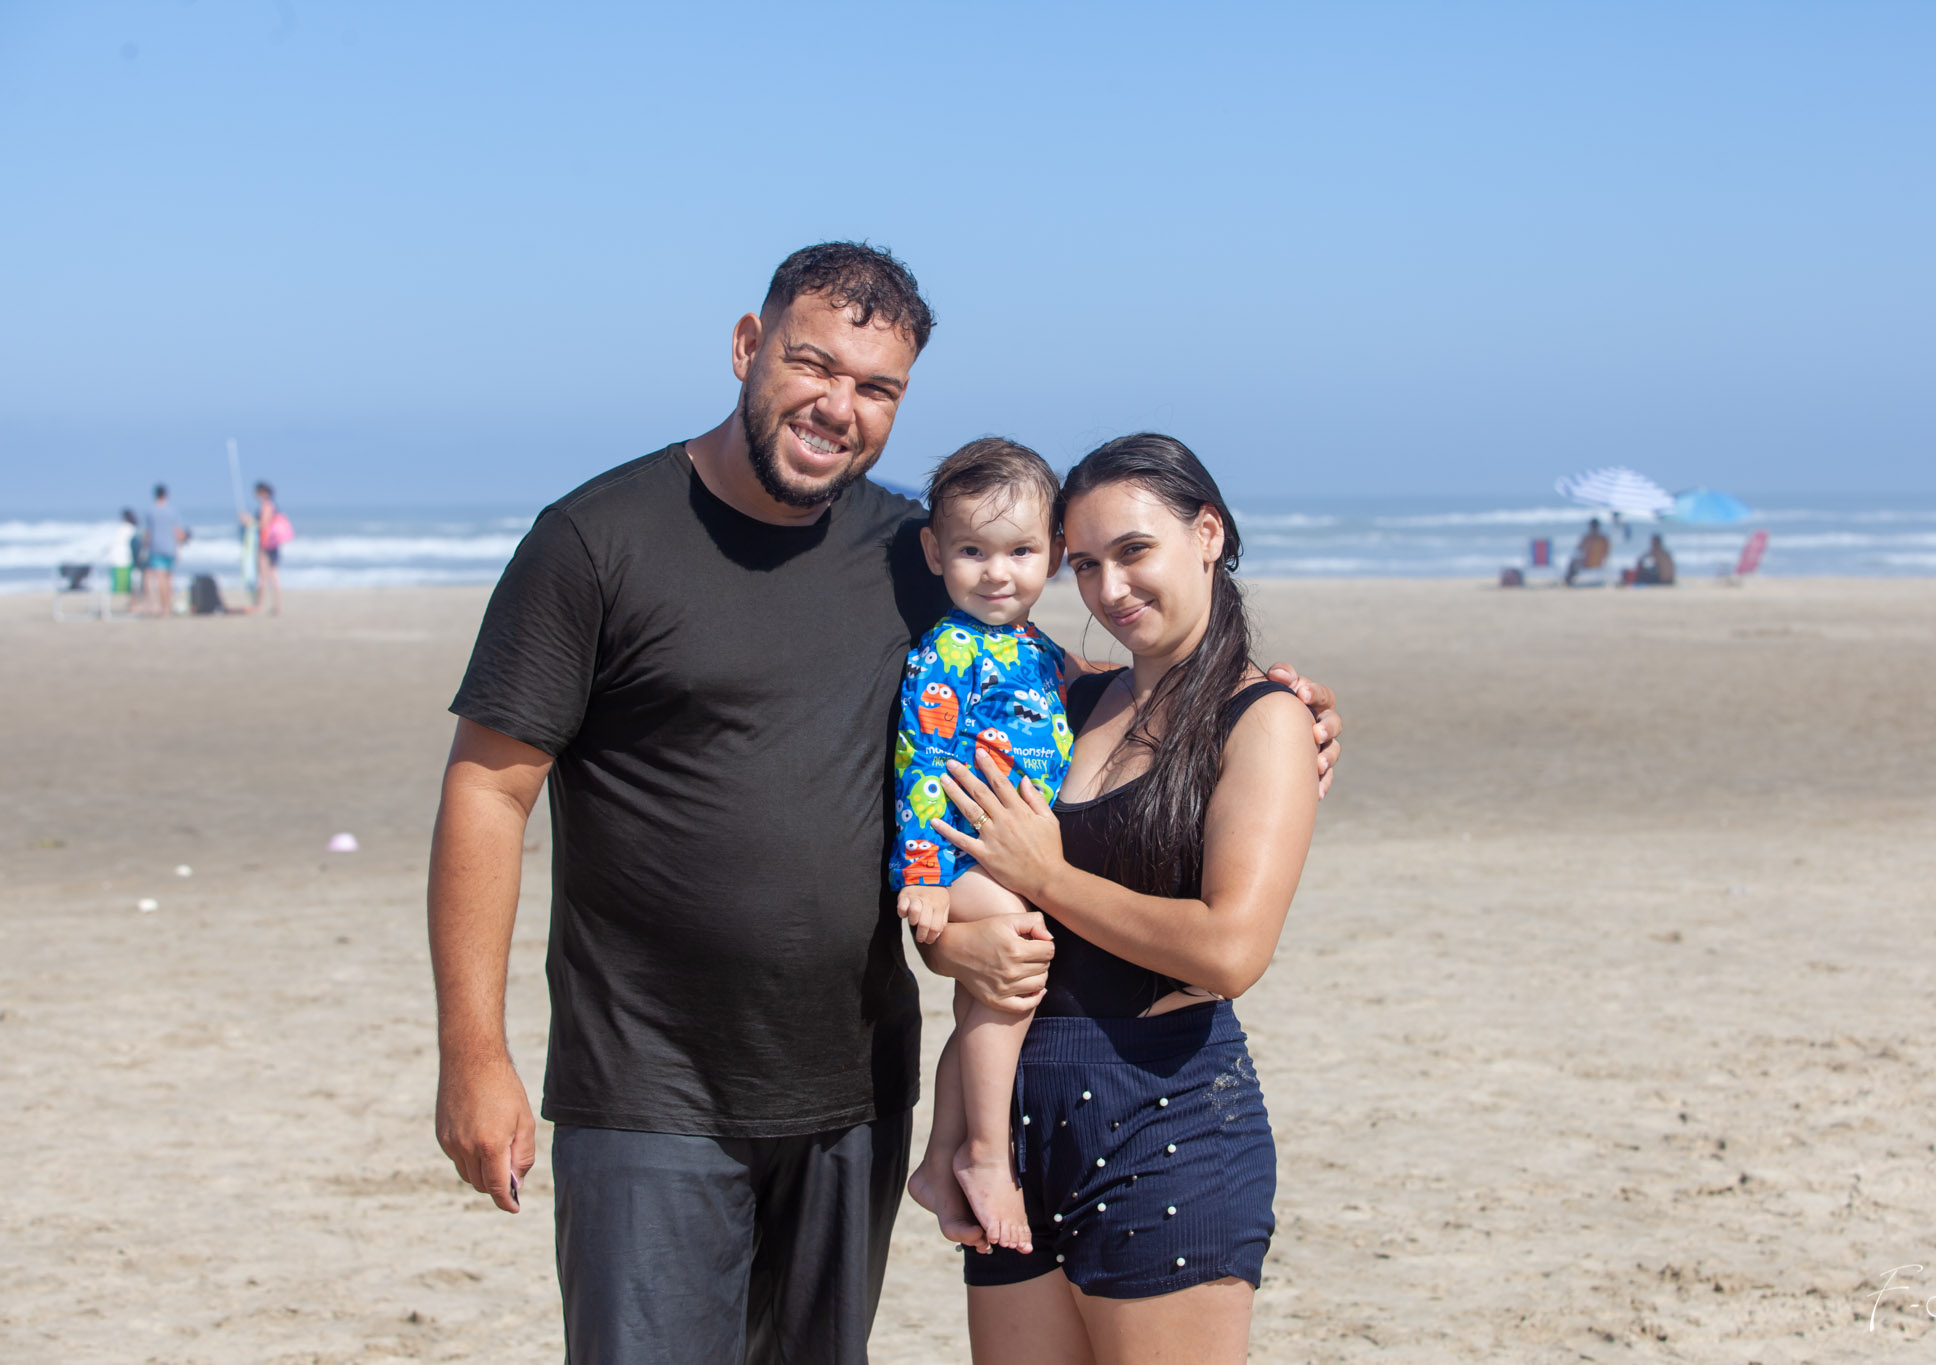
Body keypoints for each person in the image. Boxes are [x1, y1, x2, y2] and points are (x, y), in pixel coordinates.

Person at [427, 242, 1347, 1365]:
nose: (838, 406)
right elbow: (488, 792)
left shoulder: (913, 552)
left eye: (877, 387)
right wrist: (473, 1053)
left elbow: (1058, 681)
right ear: (747, 346)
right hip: (649, 1090)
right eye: (813, 365)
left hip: (854, 1088)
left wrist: (1258, 709)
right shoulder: (597, 540)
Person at [934, 434, 1319, 1364]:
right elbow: (965, 872)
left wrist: (1049, 877)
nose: (1110, 589)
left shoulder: (1262, 718)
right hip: (1021, 1120)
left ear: (1208, 533)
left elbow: (1232, 950)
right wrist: (950, 946)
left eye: (1134, 550)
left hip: (1166, 1113)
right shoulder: (1065, 700)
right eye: (1085, 564)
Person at [895, 438, 1075, 1254]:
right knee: (1016, 961)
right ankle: (985, 1154)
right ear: (936, 553)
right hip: (957, 852)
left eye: (1021, 552)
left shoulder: (1042, 653)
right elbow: (921, 765)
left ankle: (938, 1162)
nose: (997, 572)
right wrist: (926, 876)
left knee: (981, 1005)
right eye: (973, 551)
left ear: (1054, 555)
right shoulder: (946, 651)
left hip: (1008, 852)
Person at [239, 481, 292, 615]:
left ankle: (261, 605)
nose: (255, 494)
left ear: (263, 492)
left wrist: (248, 520)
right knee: (271, 574)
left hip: (266, 544)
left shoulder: (267, 505)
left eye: (257, 491)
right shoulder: (271, 505)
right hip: (271, 544)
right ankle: (274, 605)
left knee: (265, 576)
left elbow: (263, 524)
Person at [141, 485, 186, 617]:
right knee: (169, 580)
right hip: (170, 548)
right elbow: (178, 532)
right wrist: (179, 548)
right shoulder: (172, 511)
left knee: (160, 580)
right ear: (166, 494)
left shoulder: (151, 511)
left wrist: (144, 549)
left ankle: (164, 608)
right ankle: (168, 606)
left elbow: (148, 533)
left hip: (156, 548)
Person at [1565, 516, 1609, 585]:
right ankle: (1570, 580)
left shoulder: (1587, 538)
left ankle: (1569, 581)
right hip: (1599, 563)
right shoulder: (1603, 539)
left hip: (1588, 563)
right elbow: (1606, 552)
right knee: (1575, 561)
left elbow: (1579, 548)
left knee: (1573, 562)